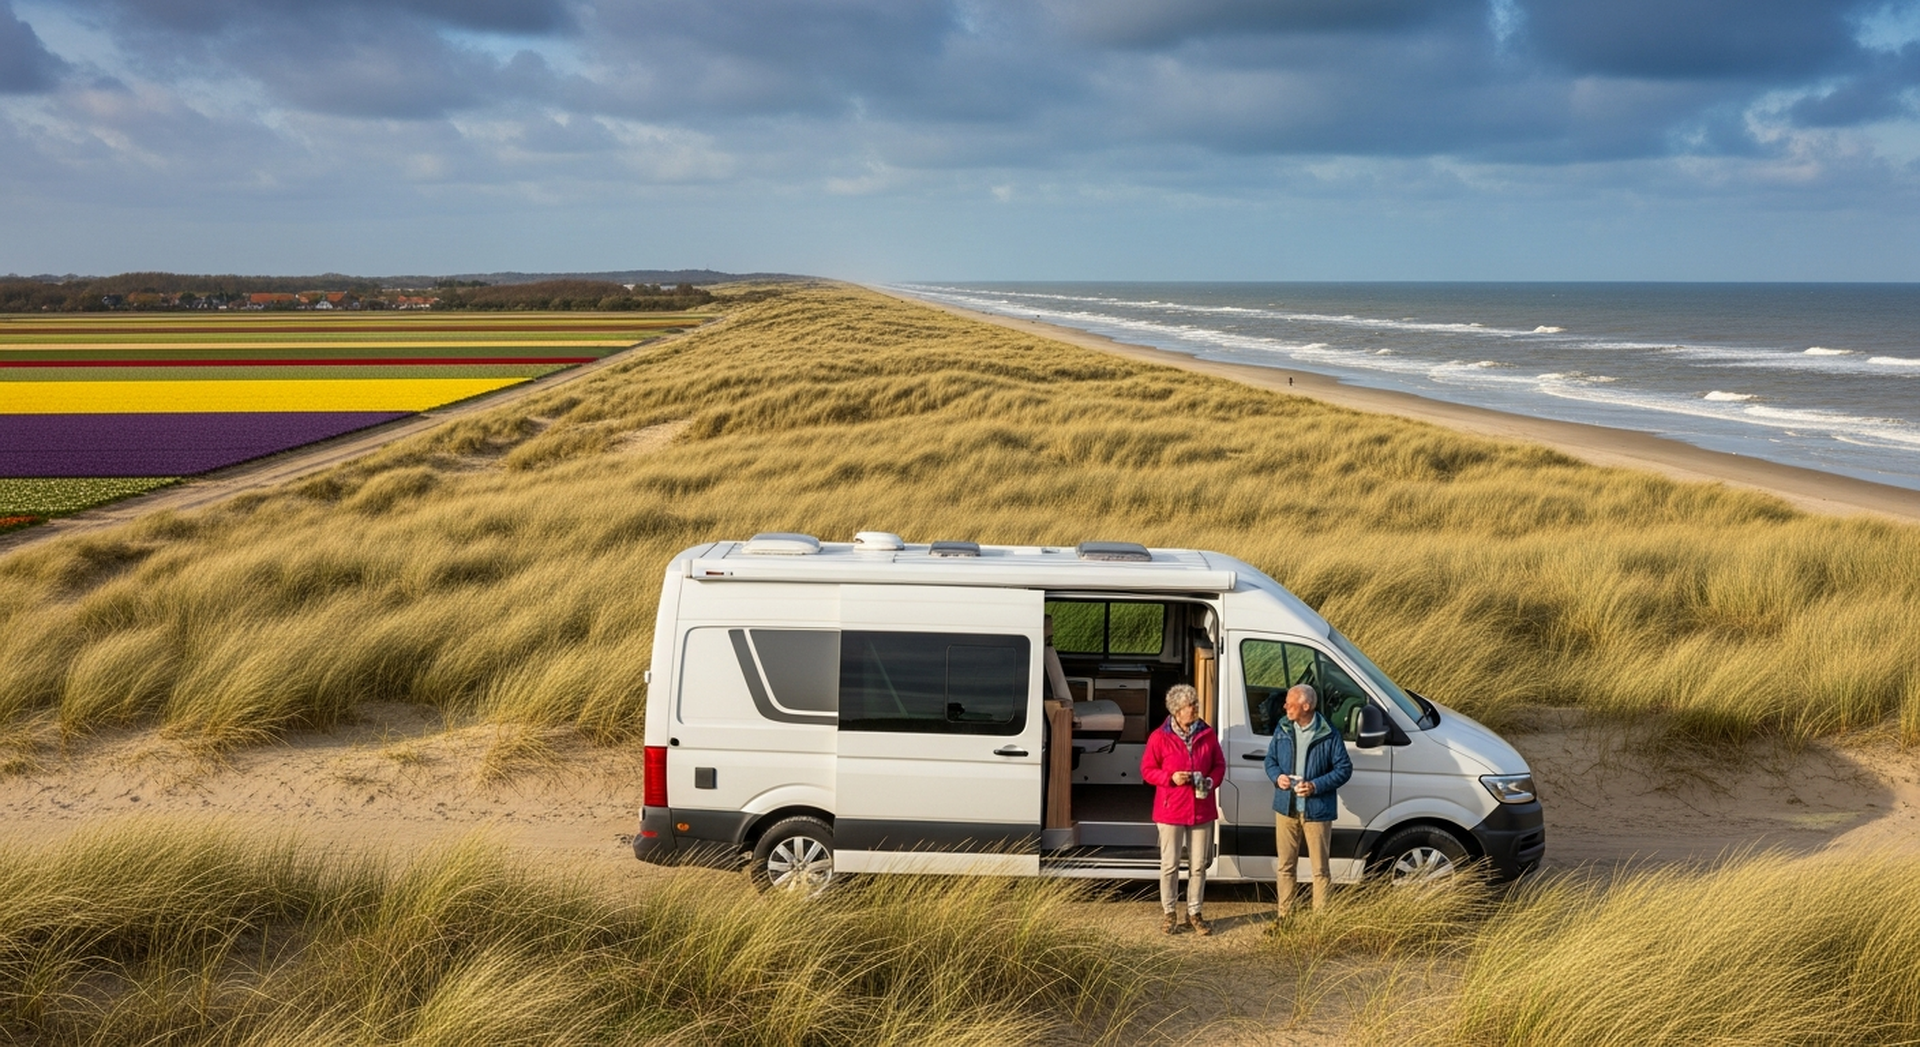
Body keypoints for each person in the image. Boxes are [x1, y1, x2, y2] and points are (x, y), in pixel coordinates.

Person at [1141, 683, 1227, 935]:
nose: (1196, 708)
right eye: (1191, 705)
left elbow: (1219, 765)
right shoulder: (1159, 737)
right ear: (1177, 710)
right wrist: (1170, 778)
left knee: (1198, 865)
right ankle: (1169, 913)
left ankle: (1194, 913)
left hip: (1201, 807)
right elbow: (1147, 770)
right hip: (1171, 809)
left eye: (1195, 704)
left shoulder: (1207, 734)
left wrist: (1210, 781)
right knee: (1170, 864)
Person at [1264, 683, 1351, 919]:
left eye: (1290, 703)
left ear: (1306, 706)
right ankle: (1285, 918)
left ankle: (1319, 922)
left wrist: (1315, 786)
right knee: (1285, 866)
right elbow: (1270, 760)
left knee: (1320, 870)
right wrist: (1277, 777)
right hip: (1286, 808)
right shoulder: (1282, 727)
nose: (1285, 707)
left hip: (1317, 811)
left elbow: (1344, 769)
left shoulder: (1329, 733)